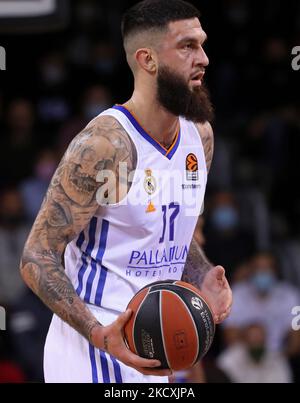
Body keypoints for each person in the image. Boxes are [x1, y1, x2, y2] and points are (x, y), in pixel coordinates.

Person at [20, 0, 232, 383]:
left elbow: (171, 234)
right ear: (147, 60)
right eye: (187, 46)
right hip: (94, 350)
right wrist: (98, 333)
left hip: (153, 346)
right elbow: (37, 255)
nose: (202, 58)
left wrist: (200, 275)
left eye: (201, 45)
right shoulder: (106, 146)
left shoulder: (199, 137)